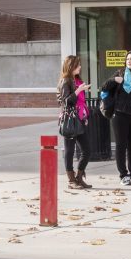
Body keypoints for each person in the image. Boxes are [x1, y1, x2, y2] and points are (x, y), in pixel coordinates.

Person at [105, 50, 131, 186]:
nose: (129, 61)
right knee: (121, 145)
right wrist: (114, 80)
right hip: (119, 114)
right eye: (127, 59)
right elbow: (104, 87)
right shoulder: (120, 74)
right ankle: (123, 175)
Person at [57, 55, 92, 189]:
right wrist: (78, 90)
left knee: (87, 150)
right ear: (71, 66)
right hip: (70, 120)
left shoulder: (76, 79)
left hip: (80, 119)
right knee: (70, 150)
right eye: (77, 65)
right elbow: (66, 101)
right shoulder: (65, 81)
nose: (80, 67)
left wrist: (83, 89)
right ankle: (71, 180)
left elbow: (79, 101)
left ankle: (79, 177)